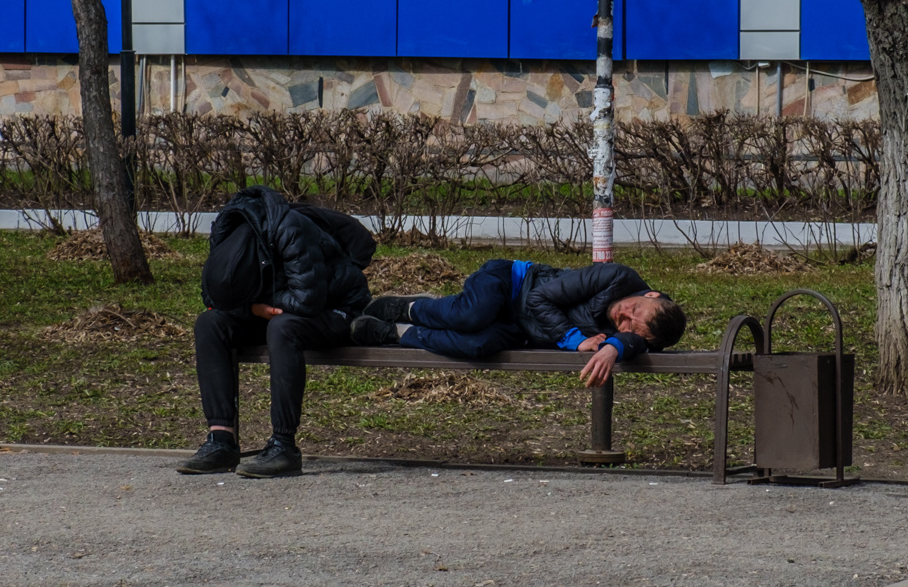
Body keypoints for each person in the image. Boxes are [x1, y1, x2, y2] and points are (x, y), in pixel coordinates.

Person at [179, 188, 375, 478]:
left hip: (336, 308)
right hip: (271, 306)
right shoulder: (227, 229)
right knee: (210, 324)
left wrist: (259, 306)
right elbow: (213, 299)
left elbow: (307, 300)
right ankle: (221, 442)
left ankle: (284, 447)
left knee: (283, 327)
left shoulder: (291, 230)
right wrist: (251, 310)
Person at [349, 260, 687, 388]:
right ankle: (408, 308)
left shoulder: (643, 330)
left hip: (521, 330)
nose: (622, 319)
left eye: (629, 326)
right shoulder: (617, 276)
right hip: (511, 284)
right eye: (631, 310)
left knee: (477, 345)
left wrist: (615, 346)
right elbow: (541, 298)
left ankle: (397, 334)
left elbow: (639, 342)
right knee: (471, 315)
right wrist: (573, 339)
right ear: (651, 294)